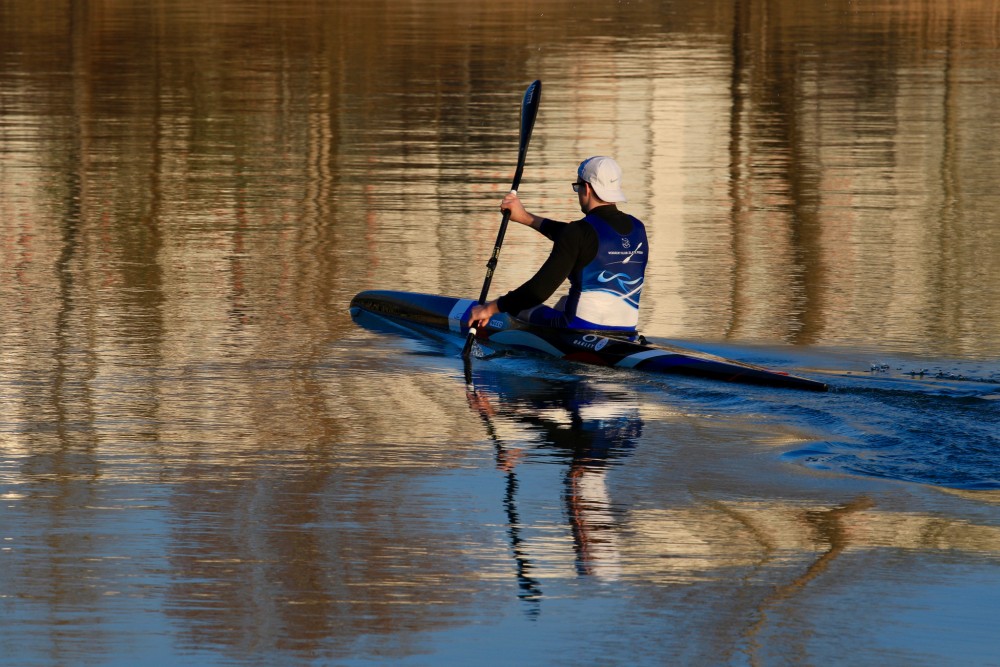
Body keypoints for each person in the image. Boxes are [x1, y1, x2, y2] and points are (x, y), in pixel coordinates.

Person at [468, 156, 648, 333]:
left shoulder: (578, 233)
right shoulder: (638, 229)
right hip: (626, 332)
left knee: (520, 305)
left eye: (577, 188)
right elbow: (584, 238)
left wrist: (490, 308)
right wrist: (525, 217)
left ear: (586, 188)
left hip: (578, 331)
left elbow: (536, 292)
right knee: (564, 301)